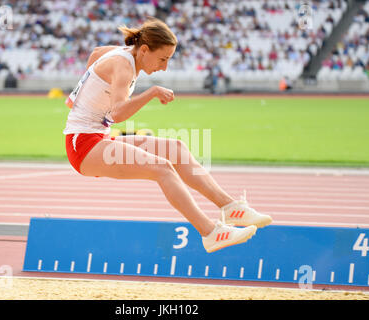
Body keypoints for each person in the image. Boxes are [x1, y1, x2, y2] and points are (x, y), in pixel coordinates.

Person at [63, 18, 272, 253]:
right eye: (163, 59)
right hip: (83, 145)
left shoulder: (124, 54)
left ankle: (230, 207)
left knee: (176, 149)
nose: (164, 67)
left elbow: (96, 53)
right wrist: (151, 92)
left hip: (98, 138)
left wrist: (90, 84)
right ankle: (211, 232)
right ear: (144, 50)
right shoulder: (122, 65)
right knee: (162, 169)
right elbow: (118, 113)